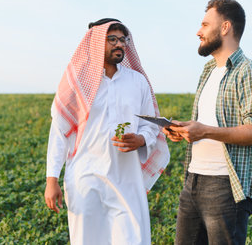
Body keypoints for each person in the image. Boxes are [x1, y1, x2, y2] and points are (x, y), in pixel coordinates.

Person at [44, 18, 170, 245]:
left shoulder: (137, 81)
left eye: (123, 40)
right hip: (85, 179)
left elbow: (151, 124)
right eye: (112, 39)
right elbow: (60, 132)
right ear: (95, 42)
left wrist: (141, 139)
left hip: (127, 179)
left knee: (133, 239)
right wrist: (51, 179)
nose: (119, 44)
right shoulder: (77, 84)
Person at [163, 0, 252, 245]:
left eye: (205, 24)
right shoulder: (208, 71)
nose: (198, 31)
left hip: (226, 187)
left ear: (225, 28)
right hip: (193, 180)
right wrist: (185, 129)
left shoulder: (249, 71)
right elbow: (208, 124)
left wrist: (204, 132)